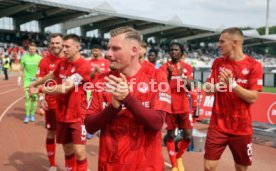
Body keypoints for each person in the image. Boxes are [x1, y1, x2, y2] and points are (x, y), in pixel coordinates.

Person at [84, 26, 171, 171]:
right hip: (110, 165)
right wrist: (113, 107)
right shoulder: (102, 81)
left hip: (146, 166)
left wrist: (127, 99)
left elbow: (156, 123)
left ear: (134, 50)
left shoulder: (156, 77)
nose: (108, 54)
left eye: (116, 48)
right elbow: (89, 126)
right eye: (108, 48)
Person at [204, 27, 263, 171]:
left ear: (235, 42)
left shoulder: (254, 66)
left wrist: (233, 85)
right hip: (217, 126)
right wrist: (219, 85)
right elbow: (206, 89)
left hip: (241, 128)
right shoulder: (218, 62)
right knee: (208, 167)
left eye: (222, 41)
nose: (219, 45)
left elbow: (253, 97)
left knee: (241, 168)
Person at [28, 34, 90, 171]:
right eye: (63, 46)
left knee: (79, 152)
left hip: (78, 115)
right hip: (61, 114)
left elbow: (65, 88)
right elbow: (51, 76)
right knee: (67, 150)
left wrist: (39, 89)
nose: (64, 49)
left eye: (67, 46)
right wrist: (34, 83)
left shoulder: (84, 66)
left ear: (77, 47)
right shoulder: (62, 63)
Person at [160, 42, 193, 171]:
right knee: (170, 136)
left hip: (184, 106)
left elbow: (190, 87)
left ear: (181, 53)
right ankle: (174, 165)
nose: (173, 51)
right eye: (171, 49)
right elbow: (163, 86)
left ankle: (179, 157)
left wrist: (182, 75)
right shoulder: (164, 67)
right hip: (170, 107)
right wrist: (169, 75)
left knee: (188, 136)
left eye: (176, 49)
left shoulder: (187, 67)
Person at [36, 33, 63, 171]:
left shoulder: (69, 59)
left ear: (63, 44)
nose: (55, 45)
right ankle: (52, 164)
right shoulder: (44, 61)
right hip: (51, 104)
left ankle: (75, 165)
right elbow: (40, 79)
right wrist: (41, 98)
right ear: (49, 44)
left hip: (69, 105)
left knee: (70, 136)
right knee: (51, 133)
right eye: (53, 43)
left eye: (57, 43)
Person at [86, 44, 110, 139]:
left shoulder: (107, 62)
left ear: (100, 51)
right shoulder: (88, 62)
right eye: (93, 50)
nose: (94, 52)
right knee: (91, 110)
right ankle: (92, 129)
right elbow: (88, 77)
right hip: (90, 88)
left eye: (96, 50)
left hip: (102, 89)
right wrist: (94, 72)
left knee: (102, 109)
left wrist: (99, 72)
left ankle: (100, 129)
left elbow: (107, 76)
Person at [19, 42, 42, 123]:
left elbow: (42, 70)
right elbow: (21, 69)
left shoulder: (39, 58)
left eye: (33, 49)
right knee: (28, 98)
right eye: (30, 49)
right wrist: (19, 79)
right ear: (28, 49)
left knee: (34, 98)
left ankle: (32, 115)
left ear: (36, 49)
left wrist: (40, 81)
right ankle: (27, 115)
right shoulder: (24, 58)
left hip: (35, 81)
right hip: (27, 81)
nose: (31, 50)